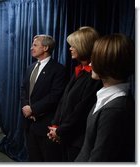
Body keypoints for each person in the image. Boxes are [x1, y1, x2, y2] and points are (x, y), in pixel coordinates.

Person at [75, 34, 135, 162]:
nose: (91, 63)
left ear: (107, 63)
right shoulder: (108, 98)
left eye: (95, 58)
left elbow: (100, 159)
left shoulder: (115, 110)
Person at [47, 26, 102, 161]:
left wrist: (59, 131)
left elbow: (81, 111)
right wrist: (55, 125)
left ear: (84, 46)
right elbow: (64, 101)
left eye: (73, 45)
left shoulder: (94, 77)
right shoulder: (78, 71)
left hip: (77, 141)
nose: (70, 48)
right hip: (64, 135)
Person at [21, 34, 66, 162]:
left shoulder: (58, 69)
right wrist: (25, 107)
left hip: (45, 125)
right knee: (33, 158)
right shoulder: (31, 67)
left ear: (45, 47)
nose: (31, 48)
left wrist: (33, 109)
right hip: (29, 123)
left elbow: (55, 96)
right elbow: (23, 89)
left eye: (35, 45)